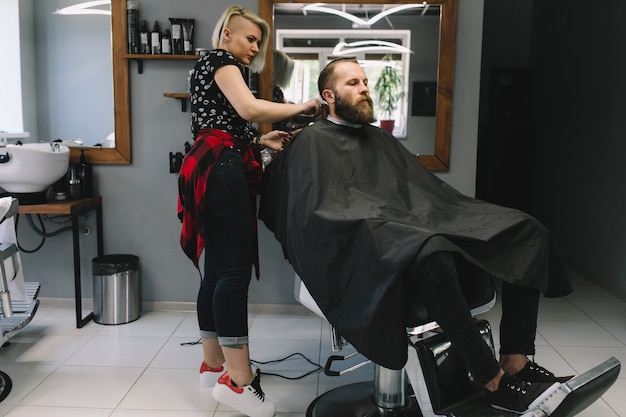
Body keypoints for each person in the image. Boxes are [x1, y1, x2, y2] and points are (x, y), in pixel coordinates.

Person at [258, 58, 575, 415]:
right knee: (431, 250)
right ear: (328, 95)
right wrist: (391, 225)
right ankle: (490, 379)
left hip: (407, 228)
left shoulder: (378, 138)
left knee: (526, 230)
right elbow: (313, 213)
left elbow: (422, 194)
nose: (364, 87)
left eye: (365, 81)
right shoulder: (312, 141)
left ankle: (516, 361)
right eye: (353, 83)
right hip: (364, 242)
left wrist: (423, 219)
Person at [177, 6, 321, 417]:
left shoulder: (210, 67)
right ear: (226, 34)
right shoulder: (220, 60)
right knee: (234, 274)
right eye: (248, 38)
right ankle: (239, 382)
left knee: (219, 271)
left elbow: (227, 125)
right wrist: (301, 107)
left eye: (258, 41)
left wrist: (260, 144)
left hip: (213, 163)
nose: (254, 48)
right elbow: (250, 111)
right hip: (221, 169)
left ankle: (213, 364)